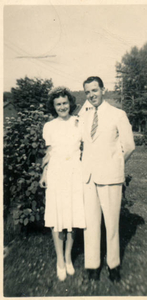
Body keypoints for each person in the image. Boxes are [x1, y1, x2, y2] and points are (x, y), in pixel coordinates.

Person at [81, 76, 135, 283]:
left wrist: (115, 163)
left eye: (95, 90)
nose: (91, 95)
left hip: (110, 177)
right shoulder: (84, 117)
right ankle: (93, 265)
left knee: (111, 223)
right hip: (89, 178)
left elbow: (129, 145)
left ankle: (113, 265)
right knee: (91, 223)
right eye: (87, 92)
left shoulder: (117, 114)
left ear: (103, 90)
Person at [39, 86, 85, 281]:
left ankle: (68, 258)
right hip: (57, 173)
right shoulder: (49, 126)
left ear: (70, 104)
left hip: (75, 172)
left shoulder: (78, 122)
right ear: (54, 106)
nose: (62, 107)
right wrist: (44, 173)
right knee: (57, 216)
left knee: (73, 216)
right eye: (58, 104)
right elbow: (49, 153)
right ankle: (59, 260)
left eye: (65, 103)